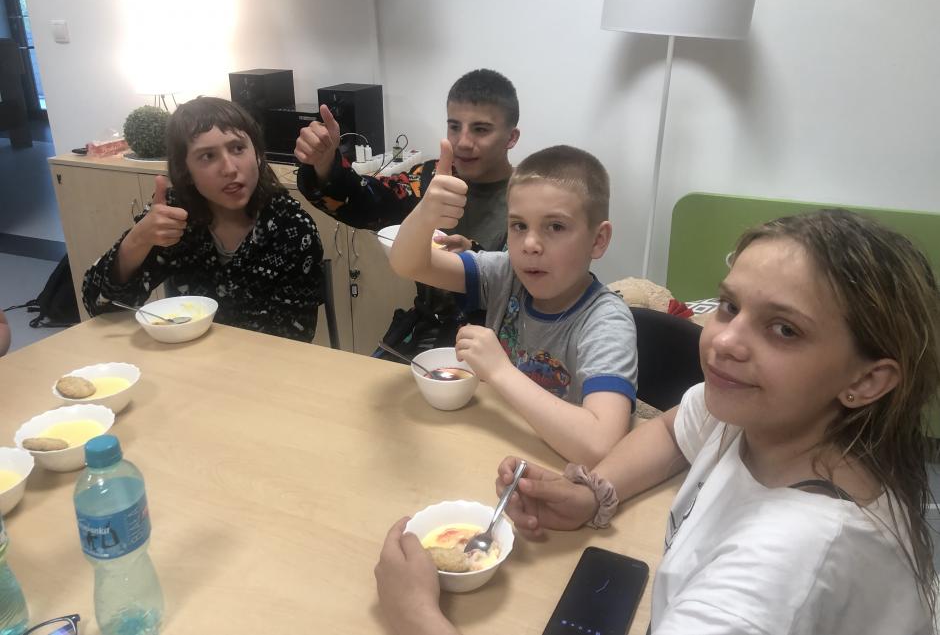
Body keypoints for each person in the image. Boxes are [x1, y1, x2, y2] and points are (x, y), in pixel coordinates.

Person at [376, 209, 939, 635]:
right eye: (729, 307)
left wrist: (416, 617)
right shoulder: (758, 417)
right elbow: (673, 429)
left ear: (867, 380)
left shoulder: (781, 573)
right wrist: (594, 493)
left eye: (784, 329)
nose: (724, 341)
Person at [390, 143, 637, 467]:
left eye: (556, 226)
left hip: (557, 474)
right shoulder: (506, 274)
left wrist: (498, 371)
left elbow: (600, 446)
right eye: (519, 226)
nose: (530, 244)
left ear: (598, 240)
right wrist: (426, 214)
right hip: (497, 453)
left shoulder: (606, 321)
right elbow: (408, 264)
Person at [293, 68, 520, 356]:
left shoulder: (529, 199)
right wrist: (325, 163)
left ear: (511, 137)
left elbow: (534, 282)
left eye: (481, 129)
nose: (463, 142)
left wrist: (474, 256)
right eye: (454, 127)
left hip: (501, 343)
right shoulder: (430, 179)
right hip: (425, 335)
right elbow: (367, 201)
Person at [83, 97, 324, 342]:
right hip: (184, 356)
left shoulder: (291, 228)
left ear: (258, 155)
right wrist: (138, 239)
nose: (229, 169)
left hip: (257, 362)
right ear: (185, 171)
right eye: (208, 156)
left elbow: (295, 336)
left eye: (238, 148)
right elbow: (100, 307)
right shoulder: (175, 216)